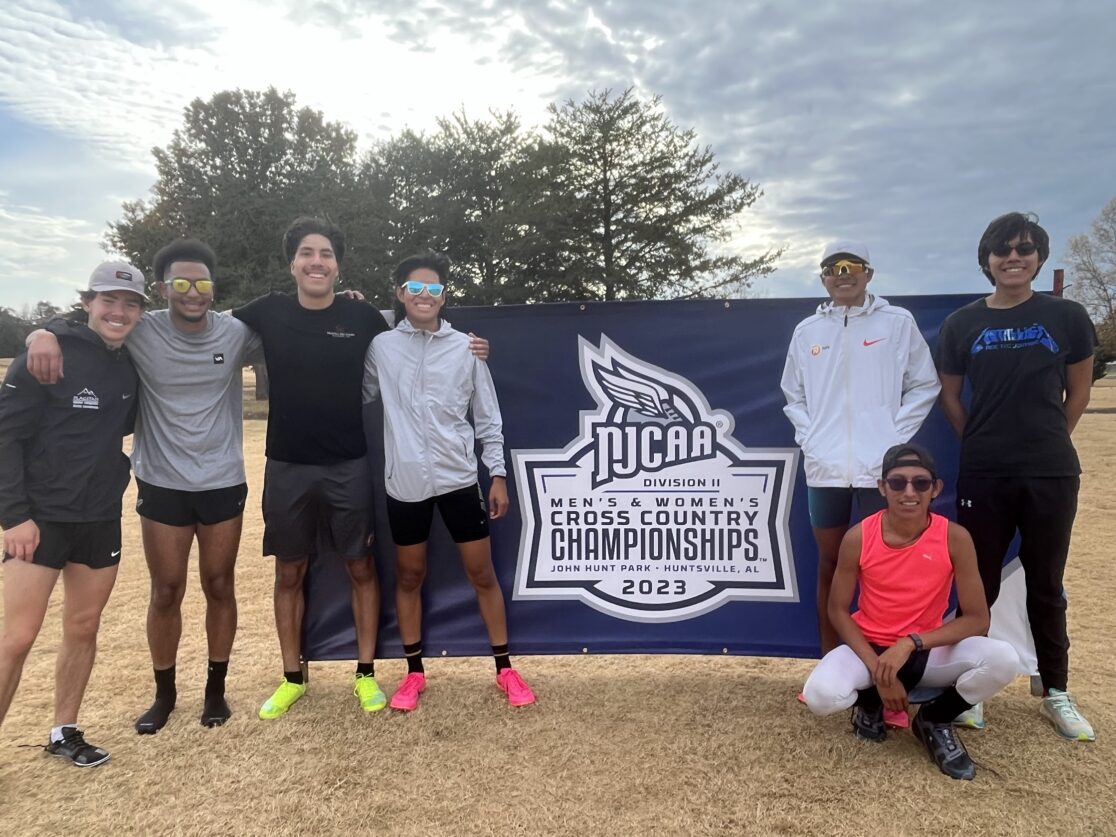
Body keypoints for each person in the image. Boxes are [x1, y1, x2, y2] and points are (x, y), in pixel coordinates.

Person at [233, 219, 489, 720]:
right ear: (292, 262)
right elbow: (198, 323)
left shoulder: (364, 317)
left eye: (325, 254)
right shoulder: (267, 311)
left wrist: (476, 347)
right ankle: (292, 678)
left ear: (337, 265)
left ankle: (366, 674)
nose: (316, 262)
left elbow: (420, 332)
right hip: (285, 465)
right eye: (306, 253)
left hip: (349, 464)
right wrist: (51, 329)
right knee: (290, 570)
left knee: (360, 567)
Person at [25, 240, 261, 734]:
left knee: (220, 585)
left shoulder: (237, 332)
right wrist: (40, 332)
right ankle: (165, 694)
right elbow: (88, 324)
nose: (192, 292)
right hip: (162, 481)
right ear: (162, 289)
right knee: (165, 591)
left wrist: (349, 299)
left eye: (201, 283)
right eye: (180, 283)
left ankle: (215, 690)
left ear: (213, 288)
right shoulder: (141, 330)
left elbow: (293, 324)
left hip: (222, 480)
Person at [937, 212, 1096, 741]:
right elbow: (951, 396)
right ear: (986, 259)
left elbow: (1079, 393)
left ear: (1038, 258)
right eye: (1003, 250)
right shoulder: (962, 324)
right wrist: (980, 441)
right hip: (984, 471)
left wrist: (1048, 440)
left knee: (1045, 583)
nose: (1014, 257)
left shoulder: (1067, 316)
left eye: (1025, 249)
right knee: (975, 582)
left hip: (1050, 470)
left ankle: (1056, 691)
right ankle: (970, 692)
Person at [362, 252, 535, 710]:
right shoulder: (381, 347)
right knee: (409, 575)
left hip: (460, 480)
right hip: (406, 485)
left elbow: (487, 418)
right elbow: (360, 392)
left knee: (482, 573)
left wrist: (496, 473)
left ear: (444, 296)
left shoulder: (467, 348)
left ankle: (505, 670)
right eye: (414, 289)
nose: (424, 296)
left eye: (434, 289)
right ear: (400, 294)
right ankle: (414, 673)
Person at [781, 240, 939, 727]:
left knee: (890, 571)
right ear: (823, 278)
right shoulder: (808, 330)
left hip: (881, 471)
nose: (841, 274)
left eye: (851, 267)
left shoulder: (897, 324)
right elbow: (794, 394)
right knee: (832, 564)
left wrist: (893, 440)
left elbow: (925, 384)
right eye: (832, 268)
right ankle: (832, 671)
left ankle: (896, 683)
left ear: (868, 273)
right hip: (825, 470)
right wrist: (811, 439)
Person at [0, 263, 146, 766]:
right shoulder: (47, 353)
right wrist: (13, 515)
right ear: (88, 303)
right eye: (108, 300)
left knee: (83, 627)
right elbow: (5, 436)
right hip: (38, 520)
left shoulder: (132, 363)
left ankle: (64, 732)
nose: (118, 311)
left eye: (130, 303)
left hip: (100, 516)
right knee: (17, 638)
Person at [802, 443, 1019, 780]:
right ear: (882, 487)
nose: (909, 492)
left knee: (1004, 659)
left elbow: (977, 619)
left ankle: (934, 718)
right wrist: (880, 672)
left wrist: (910, 643)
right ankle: (870, 704)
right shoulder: (858, 537)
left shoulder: (954, 537)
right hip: (868, 649)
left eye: (920, 483)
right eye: (897, 482)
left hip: (926, 650)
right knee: (820, 696)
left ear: (936, 488)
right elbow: (838, 610)